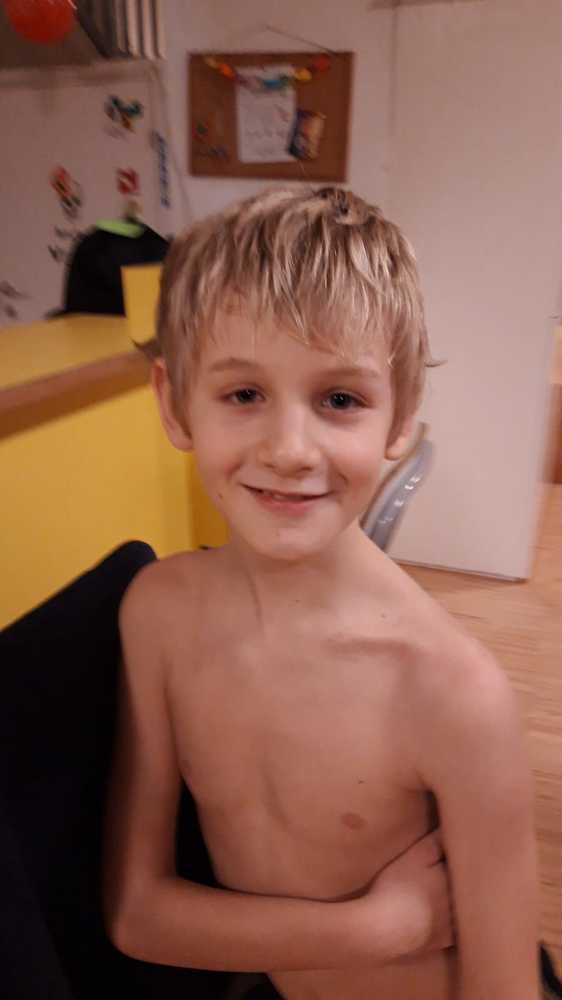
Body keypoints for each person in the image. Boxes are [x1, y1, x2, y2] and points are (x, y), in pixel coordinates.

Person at [104, 186, 539, 999]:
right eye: (244, 395)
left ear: (401, 417)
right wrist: (380, 927)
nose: (290, 449)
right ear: (173, 402)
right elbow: (135, 913)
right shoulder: (155, 616)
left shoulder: (451, 692)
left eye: (339, 399)